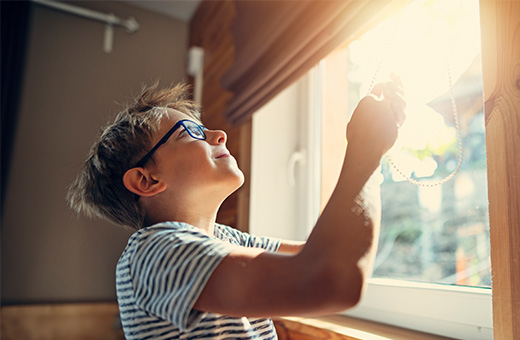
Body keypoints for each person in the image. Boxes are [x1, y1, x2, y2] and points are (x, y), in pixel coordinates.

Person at [67, 78, 405, 340]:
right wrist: (366, 149)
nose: (218, 135)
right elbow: (330, 279)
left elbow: (328, 256)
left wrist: (372, 140)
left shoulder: (225, 239)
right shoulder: (154, 251)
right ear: (146, 180)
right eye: (190, 133)